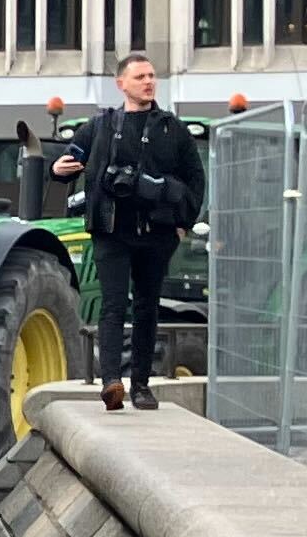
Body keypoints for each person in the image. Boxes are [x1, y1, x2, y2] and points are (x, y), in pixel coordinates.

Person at [54, 53, 205, 409]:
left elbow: (196, 180)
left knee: (147, 307)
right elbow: (68, 160)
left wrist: (182, 224)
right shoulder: (100, 126)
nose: (149, 82)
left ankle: (141, 385)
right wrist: (58, 169)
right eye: (140, 77)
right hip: (111, 231)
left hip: (157, 234)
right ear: (121, 83)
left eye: (152, 76)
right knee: (113, 304)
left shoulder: (173, 129)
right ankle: (110, 382)